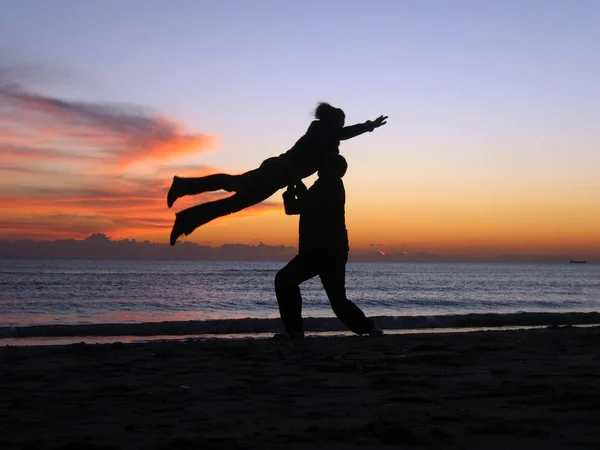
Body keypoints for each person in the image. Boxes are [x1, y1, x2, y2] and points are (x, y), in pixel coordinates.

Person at [168, 102, 387, 245]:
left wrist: (369, 126)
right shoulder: (319, 133)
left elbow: (342, 136)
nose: (341, 129)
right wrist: (370, 126)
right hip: (276, 171)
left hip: (278, 177)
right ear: (333, 124)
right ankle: (182, 187)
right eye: (339, 124)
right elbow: (345, 134)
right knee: (234, 184)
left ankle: (185, 221)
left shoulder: (326, 144)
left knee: (234, 203)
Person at [274, 154, 383, 339]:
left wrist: (292, 185)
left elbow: (295, 207)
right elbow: (302, 202)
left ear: (331, 168)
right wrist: (294, 185)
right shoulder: (330, 185)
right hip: (333, 249)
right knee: (338, 300)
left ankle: (294, 330)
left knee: (284, 281)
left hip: (320, 249)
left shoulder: (328, 185)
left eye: (324, 163)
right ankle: (369, 328)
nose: (320, 165)